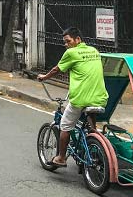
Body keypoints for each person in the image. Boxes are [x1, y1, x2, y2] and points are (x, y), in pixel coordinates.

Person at [37, 27, 108, 167]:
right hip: (100, 98)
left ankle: (61, 158)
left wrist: (44, 77)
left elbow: (56, 69)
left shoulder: (71, 53)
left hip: (80, 99)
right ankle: (95, 143)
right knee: (91, 126)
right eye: (64, 42)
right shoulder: (94, 51)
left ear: (78, 40)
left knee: (65, 125)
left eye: (68, 41)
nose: (66, 45)